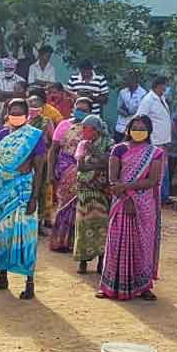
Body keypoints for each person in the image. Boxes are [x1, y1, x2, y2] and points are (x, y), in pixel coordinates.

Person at [97, 115, 163, 301]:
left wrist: (127, 189)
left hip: (144, 206)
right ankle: (109, 286)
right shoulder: (118, 149)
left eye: (143, 128)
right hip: (120, 202)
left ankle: (143, 287)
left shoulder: (155, 152)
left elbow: (152, 180)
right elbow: (113, 179)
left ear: (149, 131)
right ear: (128, 129)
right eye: (135, 127)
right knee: (116, 242)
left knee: (143, 244)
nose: (139, 130)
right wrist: (124, 196)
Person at [0, 98, 46, 300]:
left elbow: (39, 169)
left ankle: (29, 282)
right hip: (2, 188)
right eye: (13, 111)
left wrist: (35, 197)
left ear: (27, 115)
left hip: (23, 190)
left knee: (26, 235)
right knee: (2, 234)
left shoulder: (35, 136)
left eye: (20, 112)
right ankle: (2, 276)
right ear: (7, 113)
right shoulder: (2, 134)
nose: (16, 115)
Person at [49, 98, 93, 252]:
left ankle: (74, 243)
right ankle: (60, 241)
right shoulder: (64, 125)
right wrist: (50, 172)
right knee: (64, 205)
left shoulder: (92, 128)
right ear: (73, 108)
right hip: (65, 168)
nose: (80, 111)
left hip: (85, 170)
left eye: (84, 109)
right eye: (78, 108)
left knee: (80, 207)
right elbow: (54, 150)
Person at [73, 114, 113, 274]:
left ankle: (101, 262)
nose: (83, 131)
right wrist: (96, 163)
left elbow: (109, 162)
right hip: (85, 191)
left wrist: (94, 154)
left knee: (102, 227)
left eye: (85, 128)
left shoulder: (109, 144)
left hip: (101, 191)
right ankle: (83, 262)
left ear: (95, 130)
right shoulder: (83, 144)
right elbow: (81, 167)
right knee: (83, 227)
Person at [136, 76, 172, 203]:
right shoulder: (148, 100)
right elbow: (140, 118)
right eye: (164, 85)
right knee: (157, 168)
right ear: (158, 86)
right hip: (154, 140)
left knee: (163, 167)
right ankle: (160, 195)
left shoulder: (161, 98)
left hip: (163, 140)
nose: (166, 88)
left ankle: (164, 195)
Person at [26, 89, 56, 234]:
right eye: (30, 102)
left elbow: (52, 141)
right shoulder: (23, 120)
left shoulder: (46, 121)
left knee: (42, 190)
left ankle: (39, 222)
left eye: (36, 102)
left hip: (42, 160)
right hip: (24, 160)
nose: (33, 104)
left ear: (42, 105)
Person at [0, 56, 25, 126]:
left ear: (15, 68)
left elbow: (21, 95)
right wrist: (10, 98)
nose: (8, 71)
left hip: (16, 114)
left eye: (10, 69)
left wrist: (2, 93)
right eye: (6, 69)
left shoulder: (21, 80)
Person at [115, 70, 148, 143]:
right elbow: (119, 108)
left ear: (135, 80)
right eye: (127, 79)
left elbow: (140, 110)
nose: (128, 81)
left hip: (134, 128)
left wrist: (130, 110)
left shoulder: (143, 93)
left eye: (130, 79)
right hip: (120, 126)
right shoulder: (122, 92)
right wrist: (125, 111)